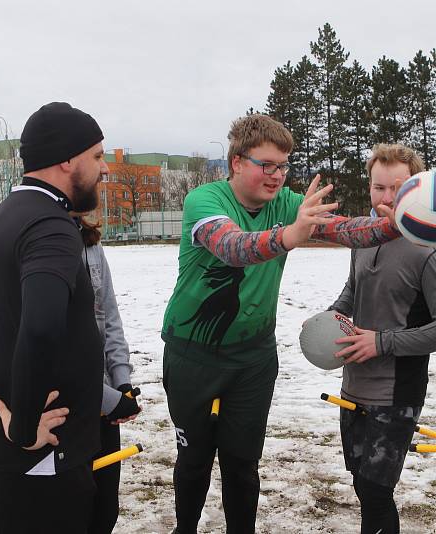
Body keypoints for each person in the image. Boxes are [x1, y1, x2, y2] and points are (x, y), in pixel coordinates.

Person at [161, 114, 404, 534]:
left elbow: (346, 230)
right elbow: (231, 246)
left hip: (253, 357)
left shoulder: (290, 204)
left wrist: (395, 224)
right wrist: (290, 235)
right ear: (237, 162)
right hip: (191, 352)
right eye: (266, 164)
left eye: (284, 166)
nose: (277, 176)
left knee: (242, 462)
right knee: (195, 458)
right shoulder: (205, 199)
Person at [0, 102, 109, 533]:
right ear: (66, 159)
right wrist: (22, 427)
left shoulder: (7, 215)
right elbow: (39, 327)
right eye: (96, 156)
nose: (104, 169)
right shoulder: (50, 225)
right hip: (27, 456)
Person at [328, 144, 436, 534]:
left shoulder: (429, 252)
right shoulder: (362, 240)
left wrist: (381, 342)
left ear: (413, 191)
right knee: (362, 486)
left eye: (396, 189)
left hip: (396, 391)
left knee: (376, 489)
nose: (385, 198)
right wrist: (330, 317)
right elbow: (354, 291)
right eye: (377, 188)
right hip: (353, 384)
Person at [76, 216, 141, 534]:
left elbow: (108, 315)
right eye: (96, 160)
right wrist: (107, 398)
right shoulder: (44, 242)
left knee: (104, 508)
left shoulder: (92, 246)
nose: (102, 170)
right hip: (67, 403)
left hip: (103, 402)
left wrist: (121, 382)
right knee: (74, 510)